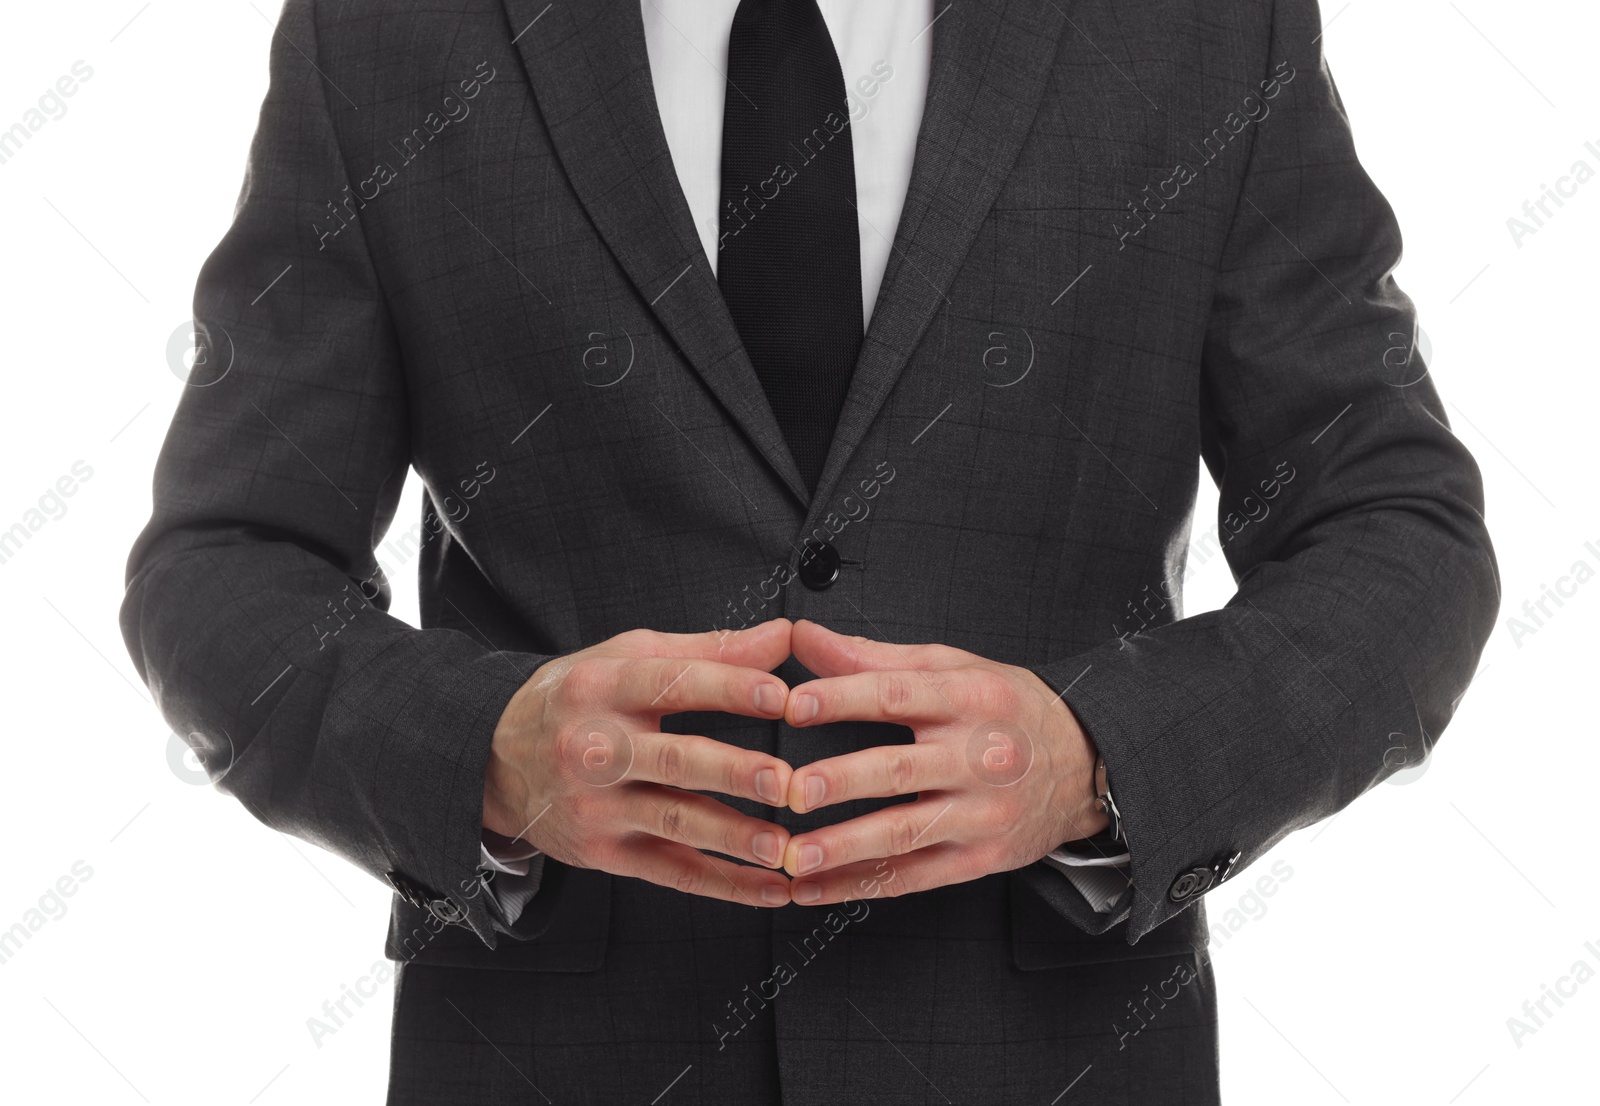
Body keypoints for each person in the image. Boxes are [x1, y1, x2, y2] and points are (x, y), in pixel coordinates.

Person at [120, 0, 1498, 1102]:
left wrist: (1095, 762)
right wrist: (488, 751)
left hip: (1053, 1055)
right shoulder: (385, 36)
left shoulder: (1200, 28)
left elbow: (1401, 535)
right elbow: (223, 563)